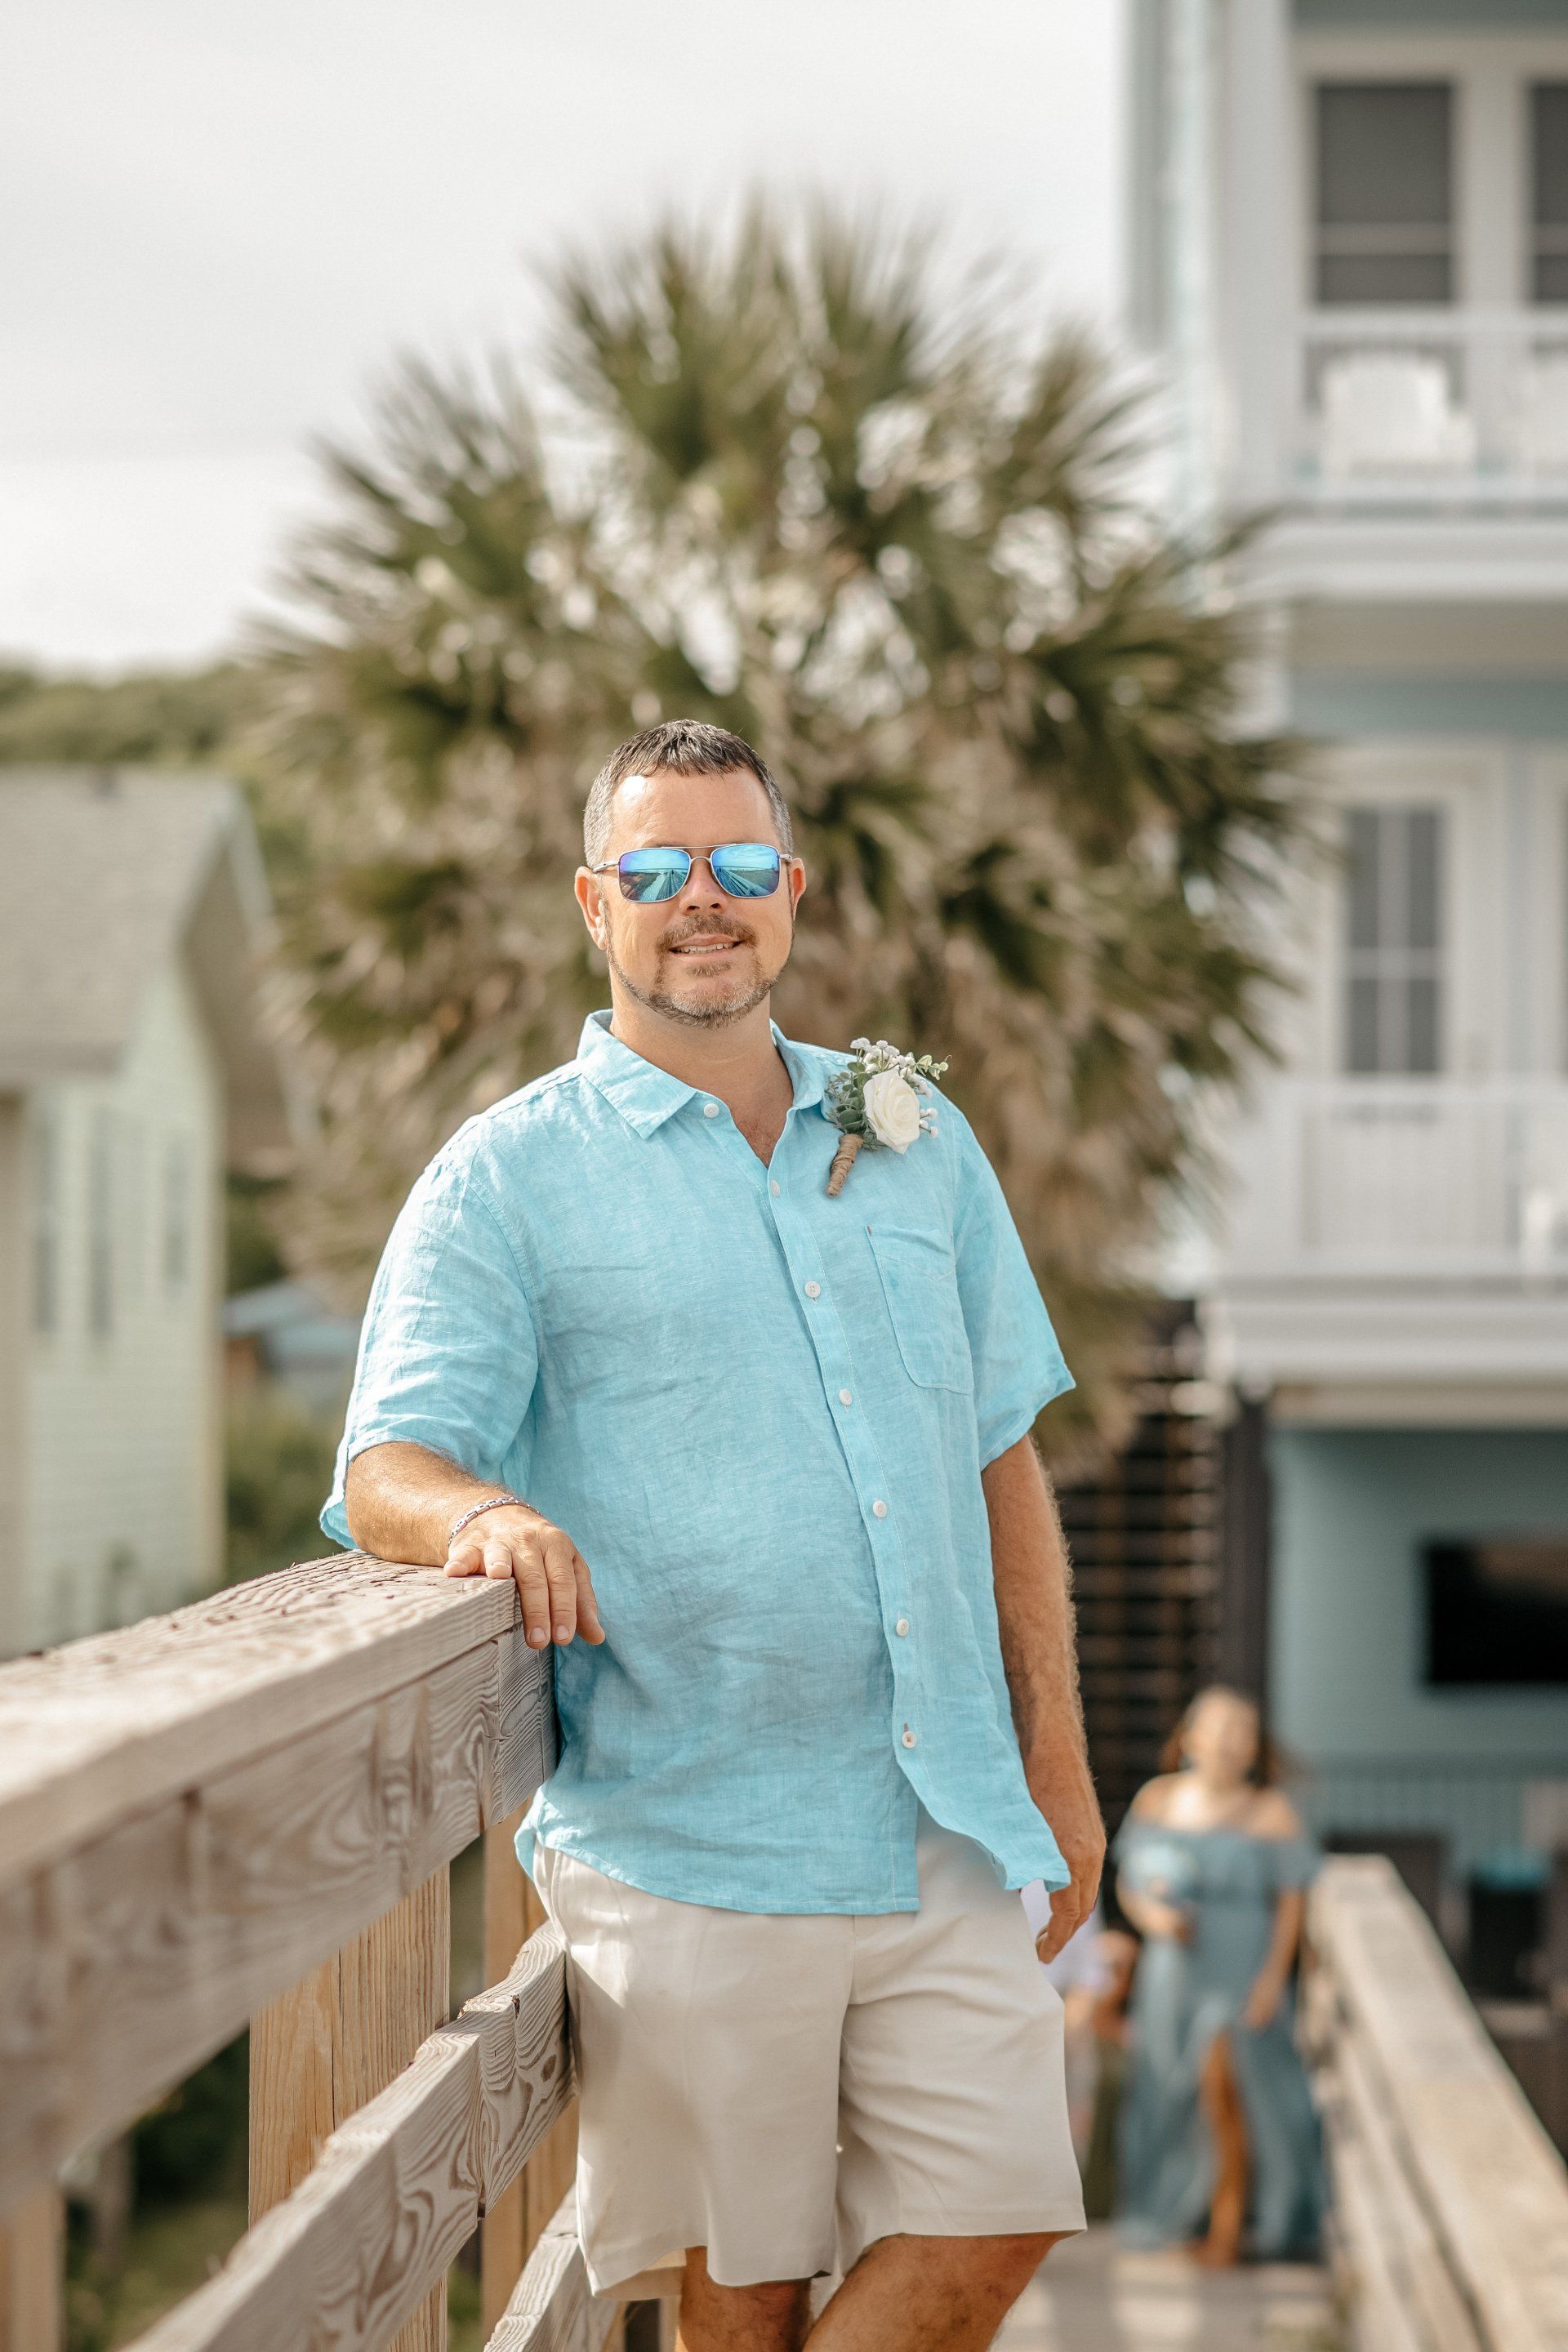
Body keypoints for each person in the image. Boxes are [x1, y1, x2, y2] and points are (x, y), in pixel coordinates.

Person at [322, 720, 1103, 2352]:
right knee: (739, 2297)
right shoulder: (504, 1178)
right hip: (694, 1832)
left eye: (740, 864)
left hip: (946, 1817)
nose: (704, 899)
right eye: (659, 867)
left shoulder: (915, 1136)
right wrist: (484, 1511)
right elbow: (388, 1460)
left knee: (1002, 2215)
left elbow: (999, 1451)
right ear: (593, 902)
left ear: (791, 891)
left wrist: (1059, 1757)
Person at [1113, 1686, 1325, 2265]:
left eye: (1244, 1731)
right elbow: (1128, 1880)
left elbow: (1292, 1906)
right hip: (1173, 1970)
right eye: (1221, 1728)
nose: (1232, 1742)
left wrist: (1271, 1981)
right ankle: (1173, 2217)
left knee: (1241, 2094)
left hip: (1243, 1969)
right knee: (1168, 2087)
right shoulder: (1157, 1799)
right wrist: (1152, 1917)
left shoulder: (1272, 1811)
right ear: (1191, 1737)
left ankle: (1249, 2226)